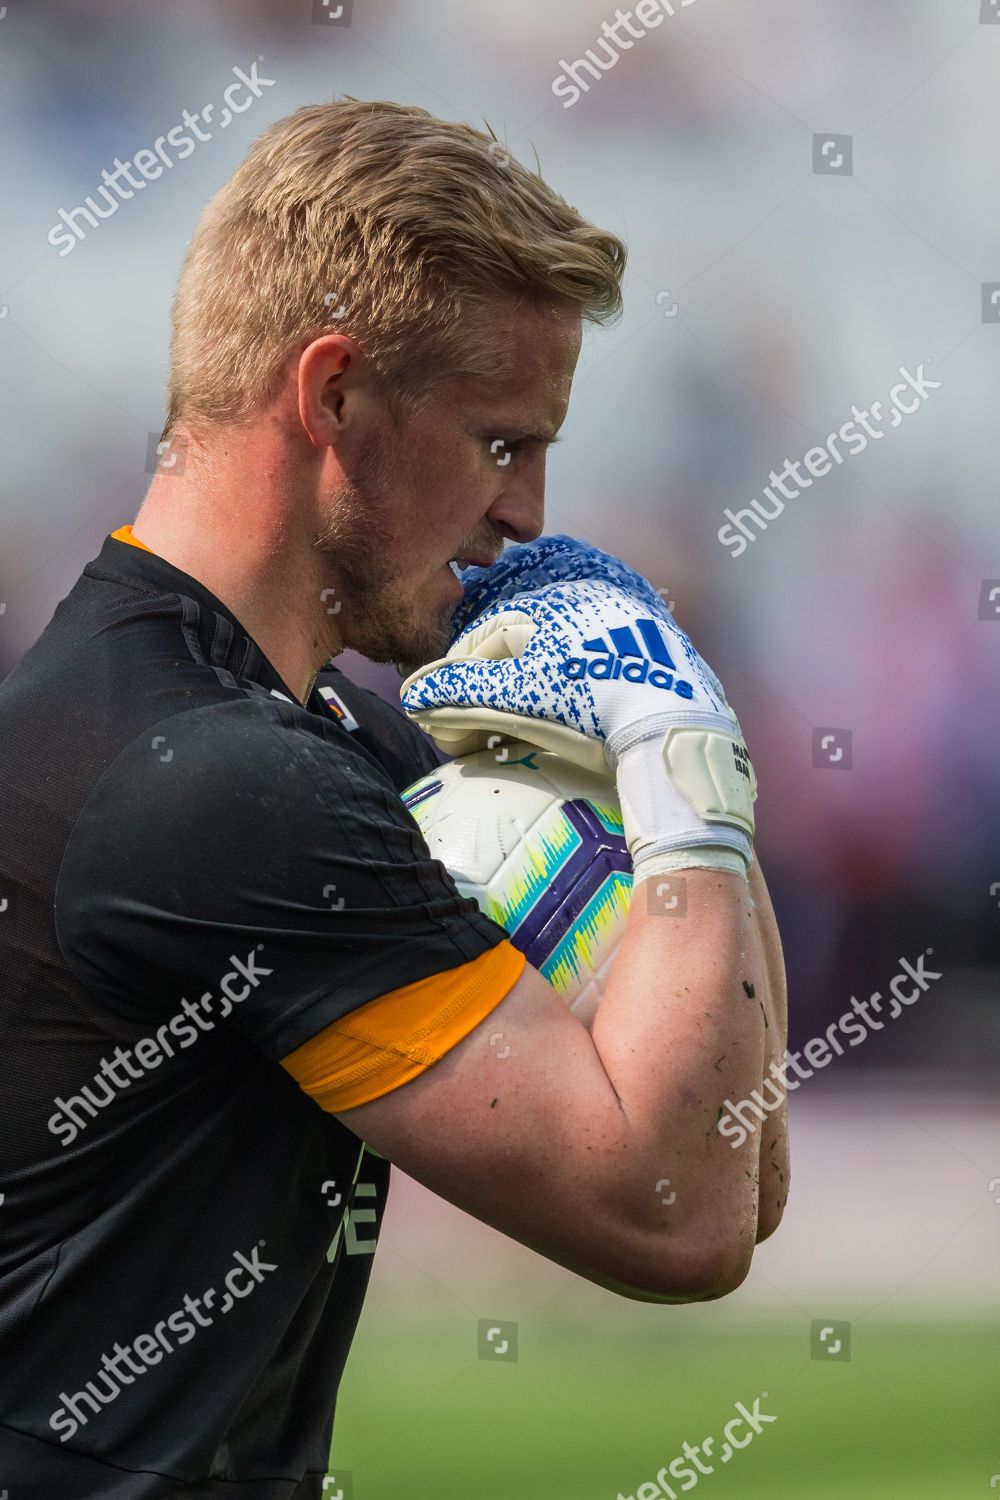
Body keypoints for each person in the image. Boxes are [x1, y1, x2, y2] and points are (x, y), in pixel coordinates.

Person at [0, 99, 787, 1497]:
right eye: (501, 442)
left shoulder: (323, 747)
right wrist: (684, 760)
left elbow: (730, 1144)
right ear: (334, 397)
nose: (533, 512)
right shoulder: (220, 791)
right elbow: (680, 1217)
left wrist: (673, 769)